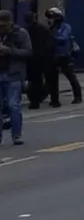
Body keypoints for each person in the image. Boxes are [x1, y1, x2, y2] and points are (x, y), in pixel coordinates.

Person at [0, 10, 32, 146]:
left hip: (14, 74)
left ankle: (16, 134)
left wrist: (9, 51)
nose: (2, 28)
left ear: (10, 22)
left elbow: (28, 52)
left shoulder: (21, 33)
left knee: (14, 105)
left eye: (4, 25)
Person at [45, 8, 83, 106]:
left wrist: (52, 32)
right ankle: (54, 99)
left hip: (64, 55)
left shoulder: (65, 27)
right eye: (49, 18)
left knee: (70, 76)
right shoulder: (50, 28)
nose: (49, 20)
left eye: (52, 18)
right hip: (53, 56)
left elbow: (63, 38)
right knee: (52, 78)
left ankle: (78, 96)